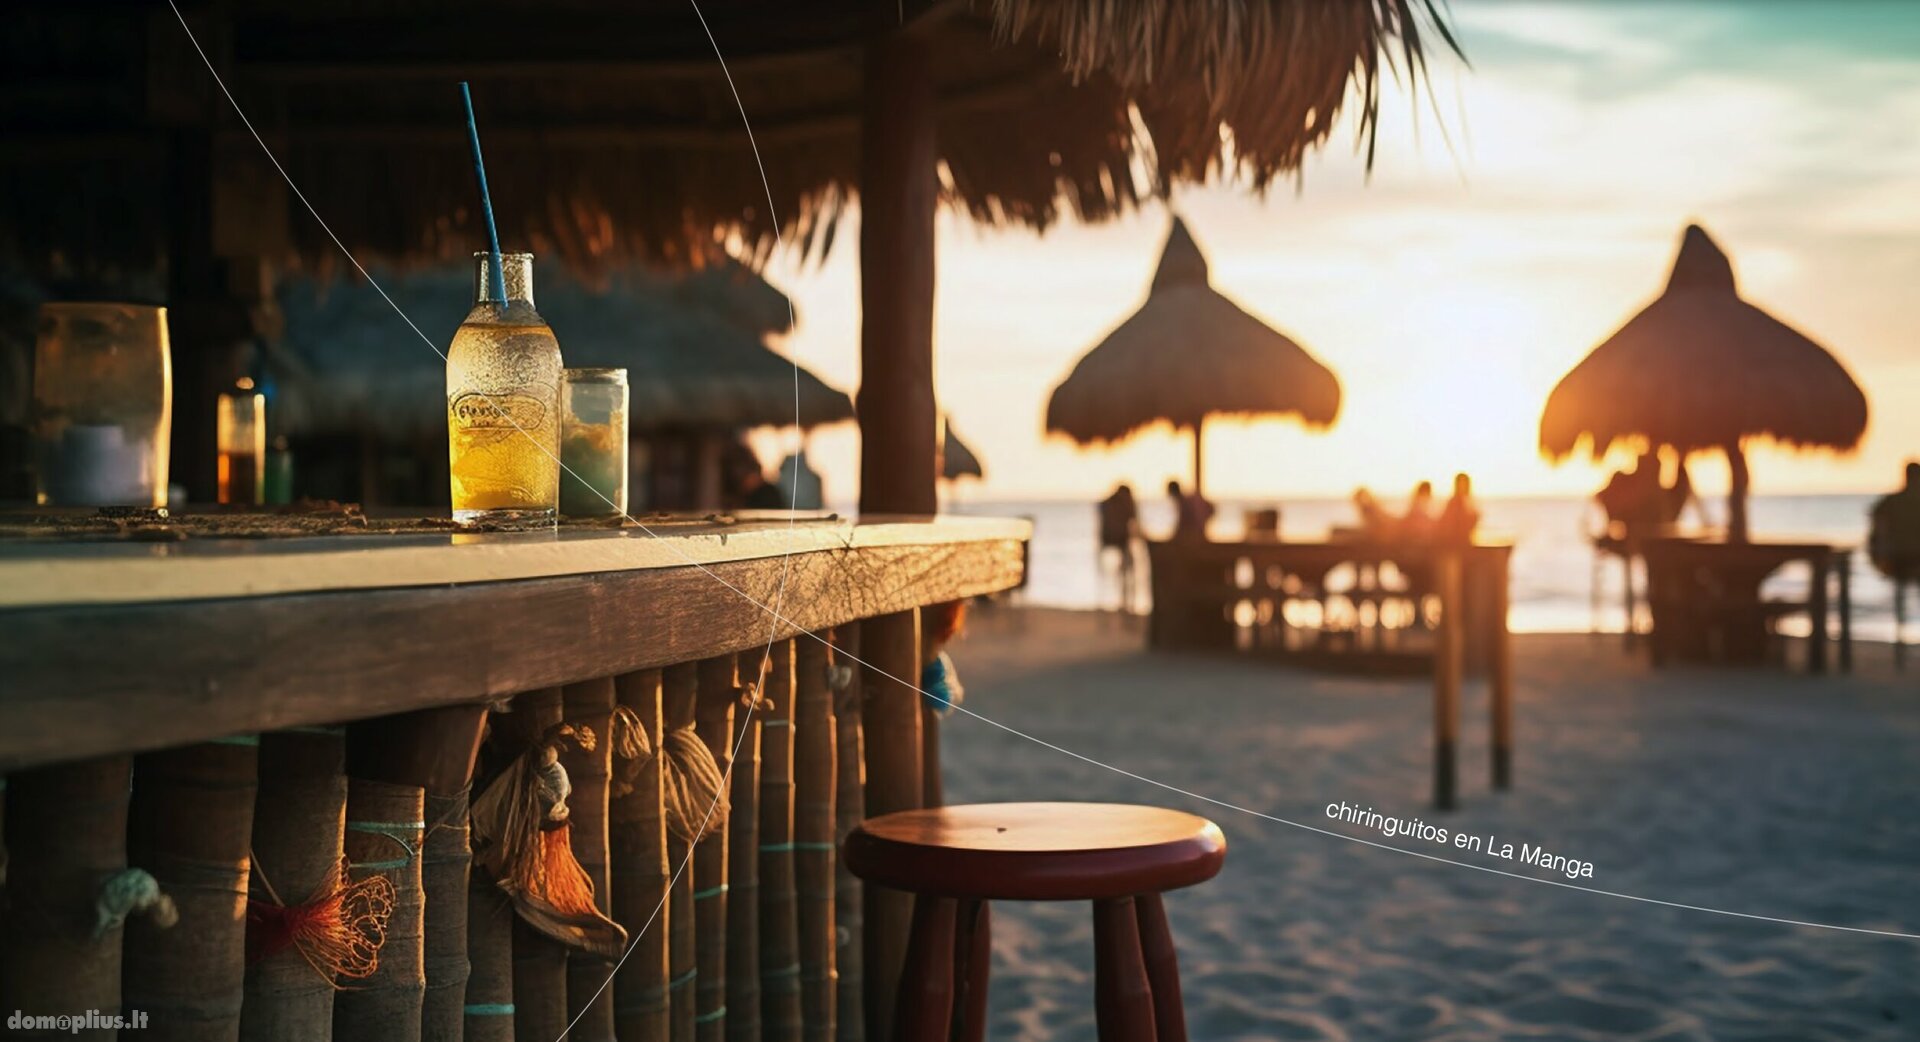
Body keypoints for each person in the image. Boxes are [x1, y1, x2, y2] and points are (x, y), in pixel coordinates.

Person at [1098, 483, 1140, 611]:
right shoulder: (1124, 504)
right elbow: (1133, 522)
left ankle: (1124, 602)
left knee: (1124, 572)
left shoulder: (1107, 504)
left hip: (1114, 540)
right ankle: (1124, 602)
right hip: (1117, 540)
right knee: (1125, 572)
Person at [1438, 472, 1479, 543]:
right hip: (1455, 540)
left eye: (1464, 483)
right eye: (1460, 483)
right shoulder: (1453, 502)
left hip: (1465, 539)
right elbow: (1447, 522)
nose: (1462, 486)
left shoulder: (1469, 500)